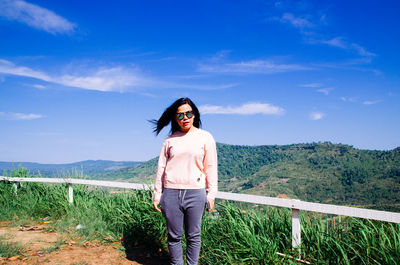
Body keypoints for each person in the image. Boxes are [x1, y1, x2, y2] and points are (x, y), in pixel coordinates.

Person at [151, 97, 218, 265]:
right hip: (171, 193)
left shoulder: (205, 137)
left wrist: (211, 195)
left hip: (196, 193)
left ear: (194, 115)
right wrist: (157, 195)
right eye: (180, 115)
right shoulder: (169, 140)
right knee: (174, 236)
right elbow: (161, 169)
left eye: (188, 113)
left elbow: (210, 167)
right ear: (175, 118)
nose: (185, 118)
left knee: (194, 236)